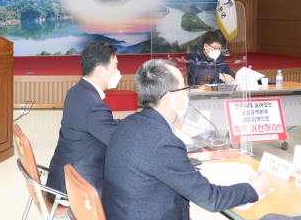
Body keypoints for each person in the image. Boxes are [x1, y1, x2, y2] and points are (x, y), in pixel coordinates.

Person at [102, 59, 269, 220]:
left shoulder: (128, 123)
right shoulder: (163, 143)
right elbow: (211, 199)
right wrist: (253, 188)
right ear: (169, 98)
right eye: (183, 88)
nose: (187, 93)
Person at [46, 42, 122, 199]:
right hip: (77, 186)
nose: (118, 72)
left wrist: (134, 123)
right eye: (115, 66)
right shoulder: (94, 105)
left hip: (62, 177)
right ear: (100, 71)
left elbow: (105, 125)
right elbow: (119, 143)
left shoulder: (76, 91)